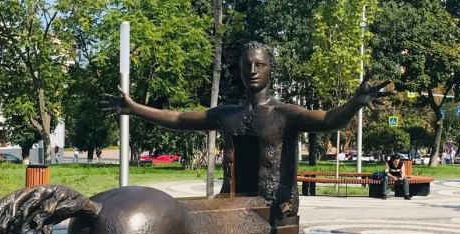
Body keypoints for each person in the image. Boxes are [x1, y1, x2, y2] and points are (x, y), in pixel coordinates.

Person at [102, 41, 392, 216]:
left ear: (270, 69)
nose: (252, 71)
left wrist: (355, 102)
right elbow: (179, 120)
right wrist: (134, 108)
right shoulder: (227, 115)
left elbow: (328, 121)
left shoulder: (285, 114)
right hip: (232, 204)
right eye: (247, 65)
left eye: (259, 65)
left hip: (275, 209)